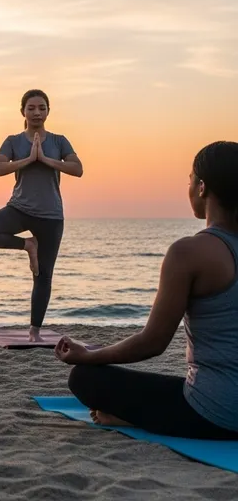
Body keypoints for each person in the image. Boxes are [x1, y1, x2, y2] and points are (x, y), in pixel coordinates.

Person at [55, 141, 238, 439]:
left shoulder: (188, 252)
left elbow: (153, 342)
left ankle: (131, 418)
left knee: (85, 378)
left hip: (218, 414)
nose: (189, 187)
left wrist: (90, 354)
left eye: (190, 181)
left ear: (202, 187)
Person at [0, 89, 83, 342]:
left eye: (42, 108)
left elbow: (78, 169)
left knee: (43, 275)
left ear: (48, 111)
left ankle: (35, 332)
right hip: (19, 209)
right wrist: (28, 160)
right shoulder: (13, 141)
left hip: (51, 216)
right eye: (31, 108)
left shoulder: (59, 141)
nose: (37, 113)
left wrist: (45, 159)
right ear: (23, 111)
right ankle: (27, 244)